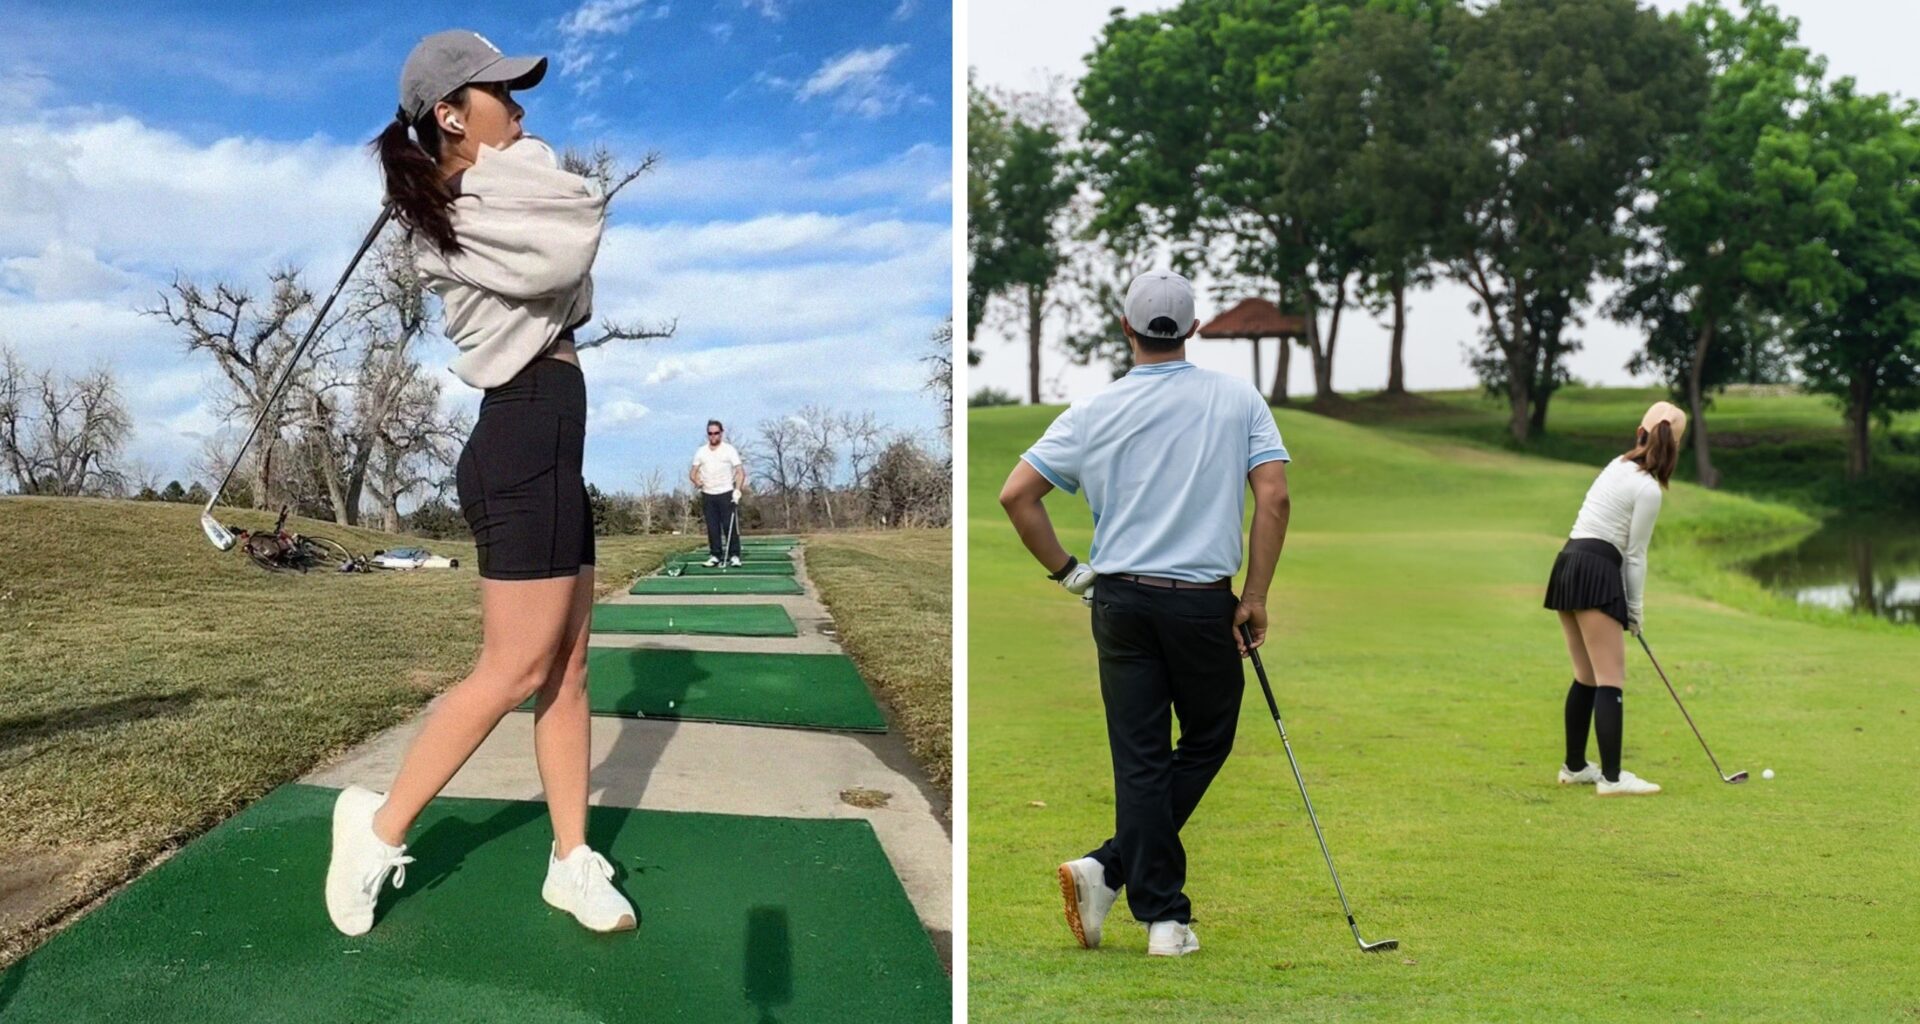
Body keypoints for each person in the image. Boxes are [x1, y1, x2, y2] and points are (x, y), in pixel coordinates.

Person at [324, 28, 635, 938]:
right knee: (514, 668)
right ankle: (375, 832)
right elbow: (569, 246)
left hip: (551, 434)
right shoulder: (466, 205)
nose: (523, 106)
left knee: (570, 668)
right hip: (522, 428)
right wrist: (470, 171)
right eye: (501, 91)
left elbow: (574, 231)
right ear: (452, 113)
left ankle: (571, 862)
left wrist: (472, 164)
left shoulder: (482, 189)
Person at [997, 270, 1292, 958]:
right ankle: (1156, 914)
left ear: (1125, 328)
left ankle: (1115, 874)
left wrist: (1071, 574)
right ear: (1192, 330)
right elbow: (1273, 498)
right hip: (1200, 603)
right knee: (1209, 736)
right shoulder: (1237, 398)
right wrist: (1255, 597)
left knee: (1141, 759)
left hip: (1120, 602)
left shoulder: (1093, 410)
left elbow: (1018, 496)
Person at [1544, 401, 1687, 798]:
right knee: (1611, 678)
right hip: (1596, 567)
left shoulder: (1615, 465)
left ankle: (1575, 767)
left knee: (1585, 675)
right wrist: (1635, 611)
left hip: (1568, 562)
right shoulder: (1648, 489)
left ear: (1639, 432)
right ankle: (1610, 777)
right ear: (1675, 446)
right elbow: (1635, 555)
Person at [690, 420, 746, 567]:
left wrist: (737, 490)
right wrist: (697, 482)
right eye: (710, 433)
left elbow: (740, 472)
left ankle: (734, 555)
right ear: (707, 434)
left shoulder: (729, 450)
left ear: (721, 433)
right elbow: (693, 473)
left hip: (726, 492)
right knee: (712, 527)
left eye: (716, 433)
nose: (713, 436)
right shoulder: (701, 451)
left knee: (729, 525)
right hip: (708, 494)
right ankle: (715, 555)